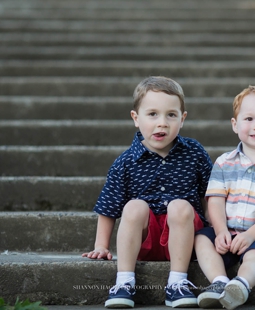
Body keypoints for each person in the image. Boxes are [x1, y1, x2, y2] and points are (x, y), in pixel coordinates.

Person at [82, 76, 212, 308]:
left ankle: (177, 283)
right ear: (136, 118)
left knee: (180, 206)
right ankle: (124, 282)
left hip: (186, 238)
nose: (162, 123)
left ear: (182, 119)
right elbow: (108, 206)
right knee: (134, 206)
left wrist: (217, 232)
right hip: (146, 241)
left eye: (171, 115)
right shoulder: (125, 162)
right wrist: (101, 245)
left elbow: (210, 195)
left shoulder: (194, 153)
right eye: (152, 114)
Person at [194, 85, 255, 309]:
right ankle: (219, 281)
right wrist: (220, 230)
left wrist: (250, 236)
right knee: (201, 239)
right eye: (249, 118)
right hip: (228, 232)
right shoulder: (224, 162)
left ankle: (241, 285)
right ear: (235, 124)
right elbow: (215, 200)